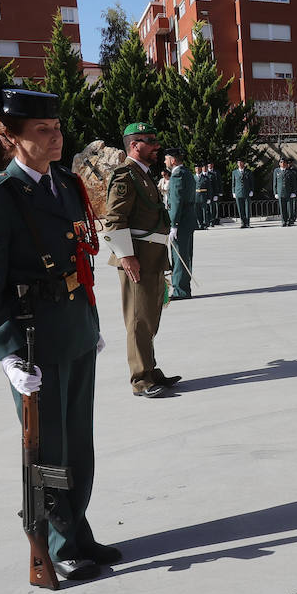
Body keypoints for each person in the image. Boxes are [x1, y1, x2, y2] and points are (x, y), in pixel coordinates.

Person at [0, 87, 119, 581]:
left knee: (79, 444)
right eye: (42, 131)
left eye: (57, 129)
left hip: (74, 330)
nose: (56, 138)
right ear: (11, 138)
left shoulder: (66, 185)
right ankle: (57, 546)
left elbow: (81, 260)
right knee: (49, 451)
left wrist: (89, 322)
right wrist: (8, 355)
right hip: (35, 344)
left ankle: (77, 531)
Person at [100, 122, 181, 398]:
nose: (157, 145)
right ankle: (140, 379)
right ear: (134, 145)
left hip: (152, 256)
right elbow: (114, 221)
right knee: (138, 320)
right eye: (150, 140)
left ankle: (150, 369)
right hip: (137, 258)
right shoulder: (126, 175)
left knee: (150, 317)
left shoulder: (142, 174)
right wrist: (127, 257)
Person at [164, 149, 197, 300]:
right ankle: (183, 288)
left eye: (166, 159)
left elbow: (176, 202)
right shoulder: (187, 172)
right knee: (184, 255)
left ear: (173, 160)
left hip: (181, 222)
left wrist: (174, 224)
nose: (165, 162)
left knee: (179, 257)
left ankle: (180, 290)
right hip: (187, 221)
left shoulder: (177, 175)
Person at [273, 156, 297, 227]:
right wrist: (275, 192)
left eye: (284, 162)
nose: (283, 163)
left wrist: (294, 192)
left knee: (289, 208)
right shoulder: (276, 171)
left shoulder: (290, 171)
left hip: (289, 192)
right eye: (281, 162)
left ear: (286, 163)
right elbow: (275, 183)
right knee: (282, 208)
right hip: (280, 192)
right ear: (279, 163)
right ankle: (283, 221)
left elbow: (293, 183)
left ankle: (289, 220)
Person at [231, 159, 254, 228]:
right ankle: (242, 223)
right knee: (240, 208)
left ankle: (247, 223)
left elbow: (251, 182)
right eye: (239, 163)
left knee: (247, 208)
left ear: (244, 163)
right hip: (238, 192)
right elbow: (233, 183)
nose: (240, 164)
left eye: (241, 162)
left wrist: (252, 190)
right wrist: (233, 192)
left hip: (247, 192)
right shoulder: (234, 172)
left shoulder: (248, 172)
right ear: (237, 164)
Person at [193, 162, 210, 230]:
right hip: (196, 196)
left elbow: (209, 188)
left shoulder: (205, 177)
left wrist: (209, 197)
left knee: (204, 211)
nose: (197, 169)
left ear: (201, 169)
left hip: (203, 195)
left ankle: (205, 224)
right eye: (196, 168)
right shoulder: (193, 177)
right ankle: (199, 224)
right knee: (197, 211)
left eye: (199, 168)